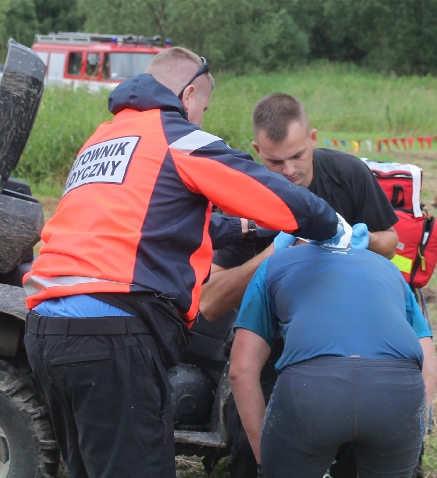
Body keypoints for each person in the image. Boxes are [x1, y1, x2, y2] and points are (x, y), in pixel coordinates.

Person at [22, 48, 338, 478]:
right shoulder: (177, 135)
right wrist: (330, 225)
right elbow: (268, 190)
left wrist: (252, 231)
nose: (201, 120)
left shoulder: (106, 138)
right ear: (189, 95)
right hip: (112, 335)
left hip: (47, 331)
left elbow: (157, 224)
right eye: (203, 110)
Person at [199, 92, 401, 478]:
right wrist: (271, 256)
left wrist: (360, 238)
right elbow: (210, 300)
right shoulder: (243, 196)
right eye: (275, 161)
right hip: (275, 345)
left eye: (297, 156)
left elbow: (391, 242)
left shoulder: (348, 173)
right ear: (257, 151)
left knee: (365, 442)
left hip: (353, 336)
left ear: (312, 137)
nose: (290, 170)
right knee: (249, 449)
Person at [229, 224, 437, 478]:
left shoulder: (275, 263)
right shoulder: (389, 270)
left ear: (293, 241)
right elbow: (431, 373)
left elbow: (241, 372)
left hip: (313, 389)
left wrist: (267, 460)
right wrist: (409, 429)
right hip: (399, 393)